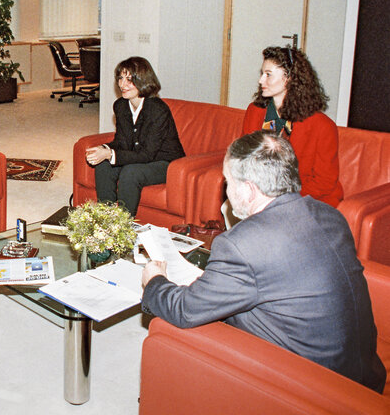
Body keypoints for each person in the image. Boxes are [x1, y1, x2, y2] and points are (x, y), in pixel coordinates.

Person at [141, 131, 385, 392]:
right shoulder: (329, 215)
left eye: (229, 181)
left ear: (248, 189)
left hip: (314, 389)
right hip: (364, 374)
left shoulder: (241, 244)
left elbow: (183, 311)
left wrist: (154, 280)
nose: (226, 189)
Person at [242, 45, 343, 207]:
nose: (261, 80)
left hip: (307, 198)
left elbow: (324, 182)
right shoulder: (254, 111)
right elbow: (245, 159)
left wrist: (278, 197)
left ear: (289, 78)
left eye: (268, 75)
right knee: (229, 206)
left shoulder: (323, 126)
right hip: (262, 195)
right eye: (262, 74)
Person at [85, 56, 185, 216]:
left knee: (131, 172)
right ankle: (105, 219)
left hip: (166, 162)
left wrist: (110, 154)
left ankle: (123, 226)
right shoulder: (121, 106)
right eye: (120, 78)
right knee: (103, 166)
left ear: (143, 80)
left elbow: (147, 154)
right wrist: (104, 149)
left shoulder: (157, 110)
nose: (122, 84)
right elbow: (122, 142)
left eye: (129, 79)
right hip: (141, 157)